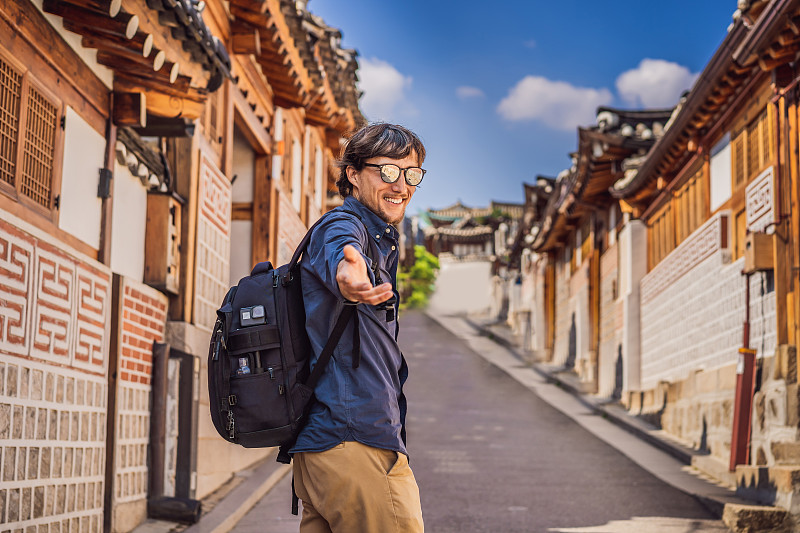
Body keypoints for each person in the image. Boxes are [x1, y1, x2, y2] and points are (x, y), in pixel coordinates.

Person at [289, 123, 426, 533]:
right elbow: (344, 258)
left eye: (411, 173)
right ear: (352, 173)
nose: (400, 184)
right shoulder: (345, 227)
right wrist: (352, 275)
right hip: (355, 442)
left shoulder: (379, 239)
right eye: (387, 171)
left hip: (323, 451)